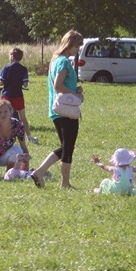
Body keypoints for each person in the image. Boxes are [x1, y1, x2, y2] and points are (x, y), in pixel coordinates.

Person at [31, 30, 84, 189]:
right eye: (76, 45)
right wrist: (75, 94)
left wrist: (75, 89)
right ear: (69, 44)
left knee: (65, 146)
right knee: (68, 147)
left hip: (56, 109)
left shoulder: (55, 61)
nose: (78, 49)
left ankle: (40, 172)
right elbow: (58, 85)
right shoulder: (63, 62)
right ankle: (64, 183)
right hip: (64, 109)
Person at [0, 47, 38, 144]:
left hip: (6, 96)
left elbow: (1, 83)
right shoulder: (23, 69)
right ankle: (29, 136)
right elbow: (25, 84)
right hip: (18, 95)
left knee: (3, 117)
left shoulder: (6, 68)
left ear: (12, 56)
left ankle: (2, 136)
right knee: (22, 117)